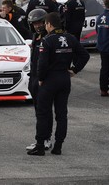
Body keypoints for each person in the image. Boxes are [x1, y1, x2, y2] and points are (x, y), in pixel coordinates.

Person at [27, 12, 89, 156]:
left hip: (49, 80)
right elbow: (84, 55)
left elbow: (42, 64)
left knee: (43, 113)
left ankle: (40, 145)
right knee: (62, 114)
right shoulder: (70, 38)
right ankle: (58, 146)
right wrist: (74, 69)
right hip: (64, 79)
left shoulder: (47, 40)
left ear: (48, 24)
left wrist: (41, 78)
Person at [25, 8, 51, 151]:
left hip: (44, 80)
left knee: (45, 111)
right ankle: (42, 137)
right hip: (33, 78)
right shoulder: (35, 37)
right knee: (38, 111)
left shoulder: (49, 38)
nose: (37, 26)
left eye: (39, 23)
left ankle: (45, 139)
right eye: (34, 24)